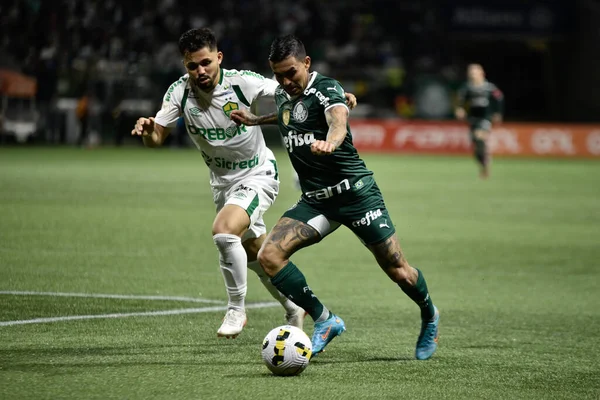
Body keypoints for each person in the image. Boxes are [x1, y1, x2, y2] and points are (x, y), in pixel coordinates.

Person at [131, 28, 357, 339]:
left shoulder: (242, 82)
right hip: (222, 184)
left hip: (257, 174)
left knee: (224, 232)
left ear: (218, 58)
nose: (200, 71)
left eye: (205, 63)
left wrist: (335, 99)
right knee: (256, 255)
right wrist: (148, 130)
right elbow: (157, 138)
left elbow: (292, 90)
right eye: (192, 66)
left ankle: (237, 308)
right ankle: (296, 307)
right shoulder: (179, 92)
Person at [230, 35, 440, 359]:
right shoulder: (285, 94)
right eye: (278, 75)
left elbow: (338, 118)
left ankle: (429, 314)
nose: (286, 82)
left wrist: (332, 141)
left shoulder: (326, 88)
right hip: (316, 200)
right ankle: (325, 319)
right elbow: (287, 117)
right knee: (270, 257)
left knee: (397, 269)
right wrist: (256, 119)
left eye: (291, 73)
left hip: (356, 194)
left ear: (307, 63)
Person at [455, 64, 504, 179]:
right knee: (476, 148)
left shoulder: (489, 88)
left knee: (479, 137)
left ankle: (485, 158)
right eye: (471, 73)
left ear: (481, 73)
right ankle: (484, 165)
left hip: (486, 118)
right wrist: (460, 109)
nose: (472, 75)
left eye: (475, 72)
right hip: (473, 119)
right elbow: (460, 101)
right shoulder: (467, 88)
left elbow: (499, 98)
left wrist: (498, 113)